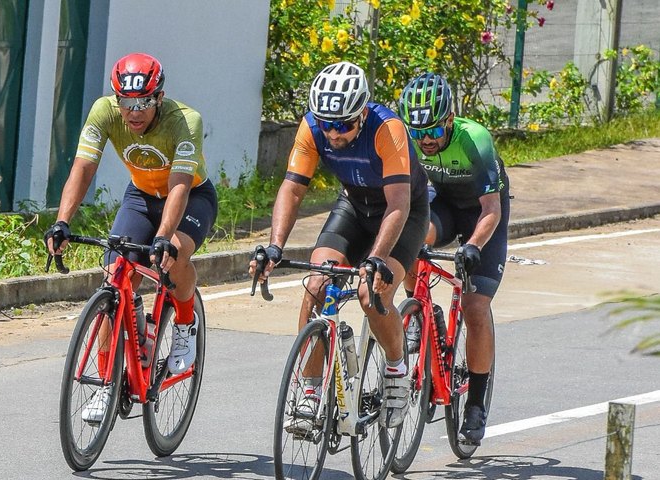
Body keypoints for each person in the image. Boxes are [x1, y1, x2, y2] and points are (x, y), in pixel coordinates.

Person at [249, 61, 430, 429]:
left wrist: (377, 260)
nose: (333, 134)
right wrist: (274, 248)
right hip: (354, 205)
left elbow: (398, 205)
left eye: (344, 124)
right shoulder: (313, 125)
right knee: (316, 284)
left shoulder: (388, 129)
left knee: (370, 294)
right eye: (327, 124)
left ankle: (397, 369)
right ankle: (311, 393)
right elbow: (293, 187)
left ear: (363, 112)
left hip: (401, 211)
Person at [45, 52, 218, 422]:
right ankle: (107, 384)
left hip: (190, 197)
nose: (134, 112)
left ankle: (185, 323)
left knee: (175, 255)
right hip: (140, 197)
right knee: (115, 277)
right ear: (116, 99)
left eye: (143, 103)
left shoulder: (185, 121)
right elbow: (83, 167)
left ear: (159, 97)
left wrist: (165, 236)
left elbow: (180, 186)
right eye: (126, 102)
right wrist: (62, 222)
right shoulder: (104, 112)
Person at [398, 72, 510, 445]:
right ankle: (419, 311)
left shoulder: (474, 139)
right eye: (419, 132)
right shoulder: (410, 140)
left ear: (449, 119)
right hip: (444, 204)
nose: (426, 139)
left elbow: (492, 208)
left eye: (433, 130)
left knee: (476, 307)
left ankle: (475, 405)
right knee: (408, 242)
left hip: (482, 212)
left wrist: (474, 245)